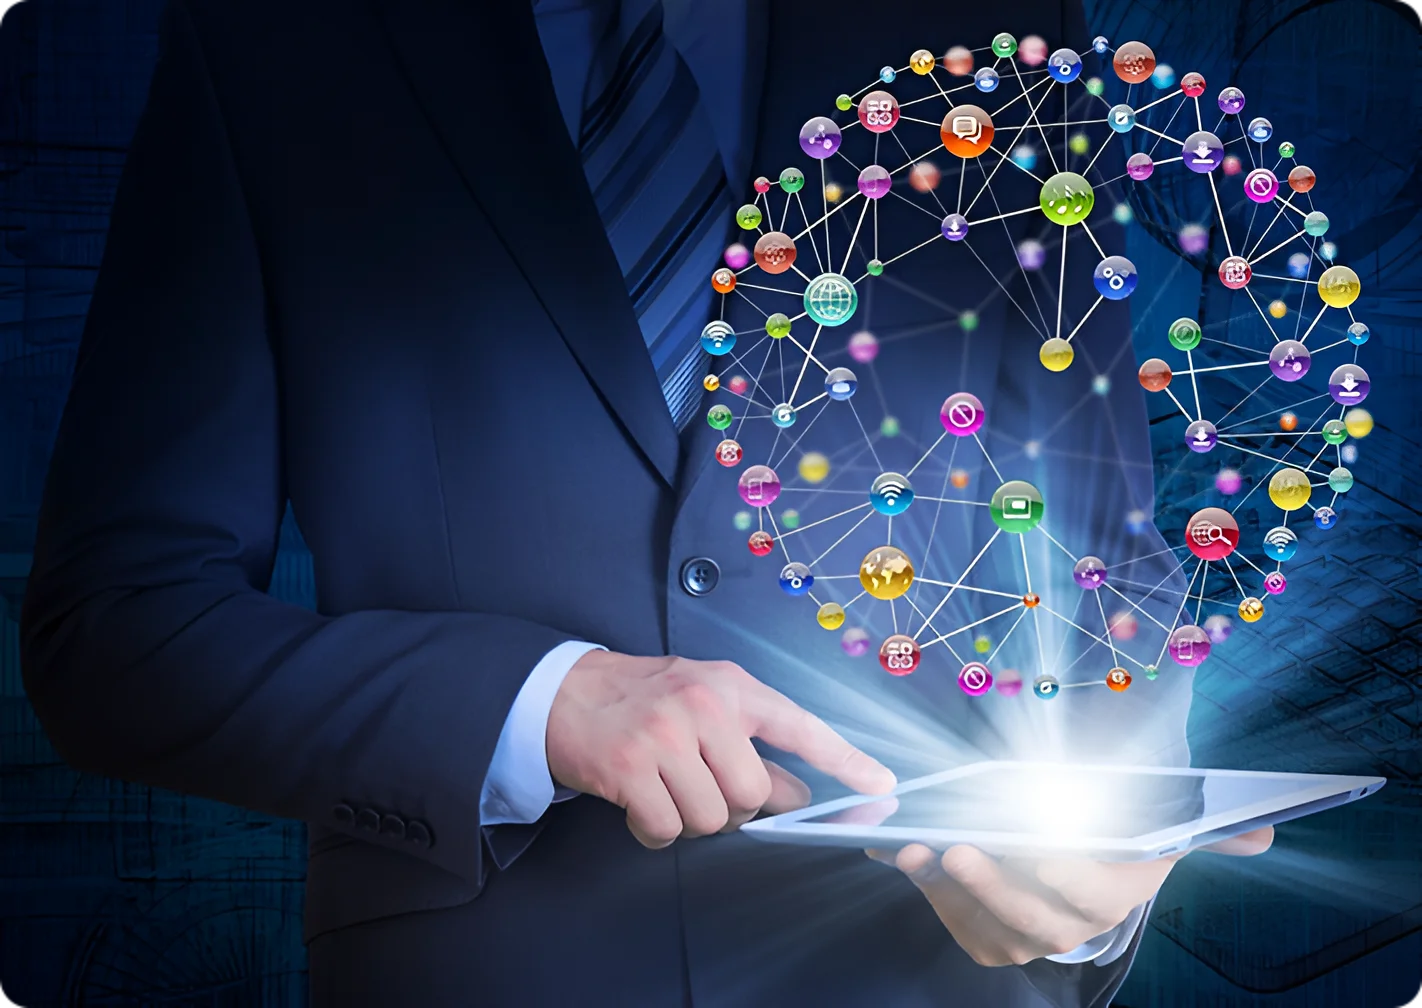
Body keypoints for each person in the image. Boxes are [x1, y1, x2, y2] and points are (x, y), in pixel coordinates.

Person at [20, 0, 1270, 1004]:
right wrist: (537, 703)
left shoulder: (987, 28)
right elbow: (116, 626)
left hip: (933, 973)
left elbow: (1107, 560)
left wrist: (1094, 880)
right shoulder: (275, 39)